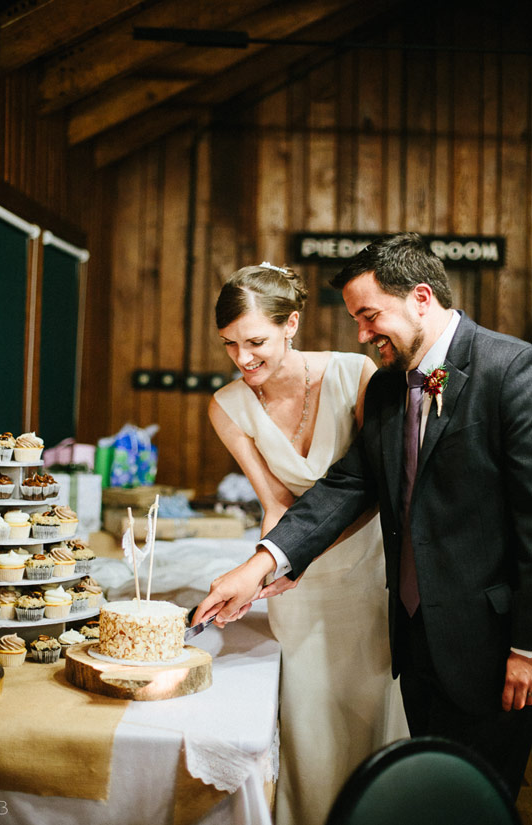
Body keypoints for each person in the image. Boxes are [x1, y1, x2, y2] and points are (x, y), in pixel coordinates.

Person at [195, 233, 532, 800]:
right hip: (412, 637)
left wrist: (527, 648)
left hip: (491, 644)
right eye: (355, 319)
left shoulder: (512, 370)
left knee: (481, 801)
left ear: (421, 297)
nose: (361, 334)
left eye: (370, 316)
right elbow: (349, 485)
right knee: (426, 796)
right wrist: (260, 565)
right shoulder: (385, 387)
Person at [208, 262, 408, 825]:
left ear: (291, 323)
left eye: (255, 341)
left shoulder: (356, 373)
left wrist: (287, 557)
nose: (243, 359)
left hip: (368, 573)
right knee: (310, 722)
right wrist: (265, 570)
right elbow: (277, 507)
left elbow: (371, 486)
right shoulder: (227, 406)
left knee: (370, 708)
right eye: (230, 345)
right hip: (296, 582)